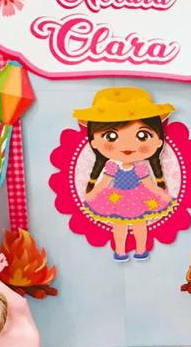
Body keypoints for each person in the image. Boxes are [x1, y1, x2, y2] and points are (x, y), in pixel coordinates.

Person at [75, 87, 175, 261]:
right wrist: (92, 193)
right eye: (111, 136)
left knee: (139, 225)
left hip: (139, 198)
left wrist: (161, 193)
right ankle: (120, 251)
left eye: (142, 135)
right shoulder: (112, 167)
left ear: (159, 141)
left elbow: (148, 184)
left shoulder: (140, 168)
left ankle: (141, 249)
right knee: (119, 226)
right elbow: (104, 183)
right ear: (94, 142)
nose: (127, 145)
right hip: (116, 199)